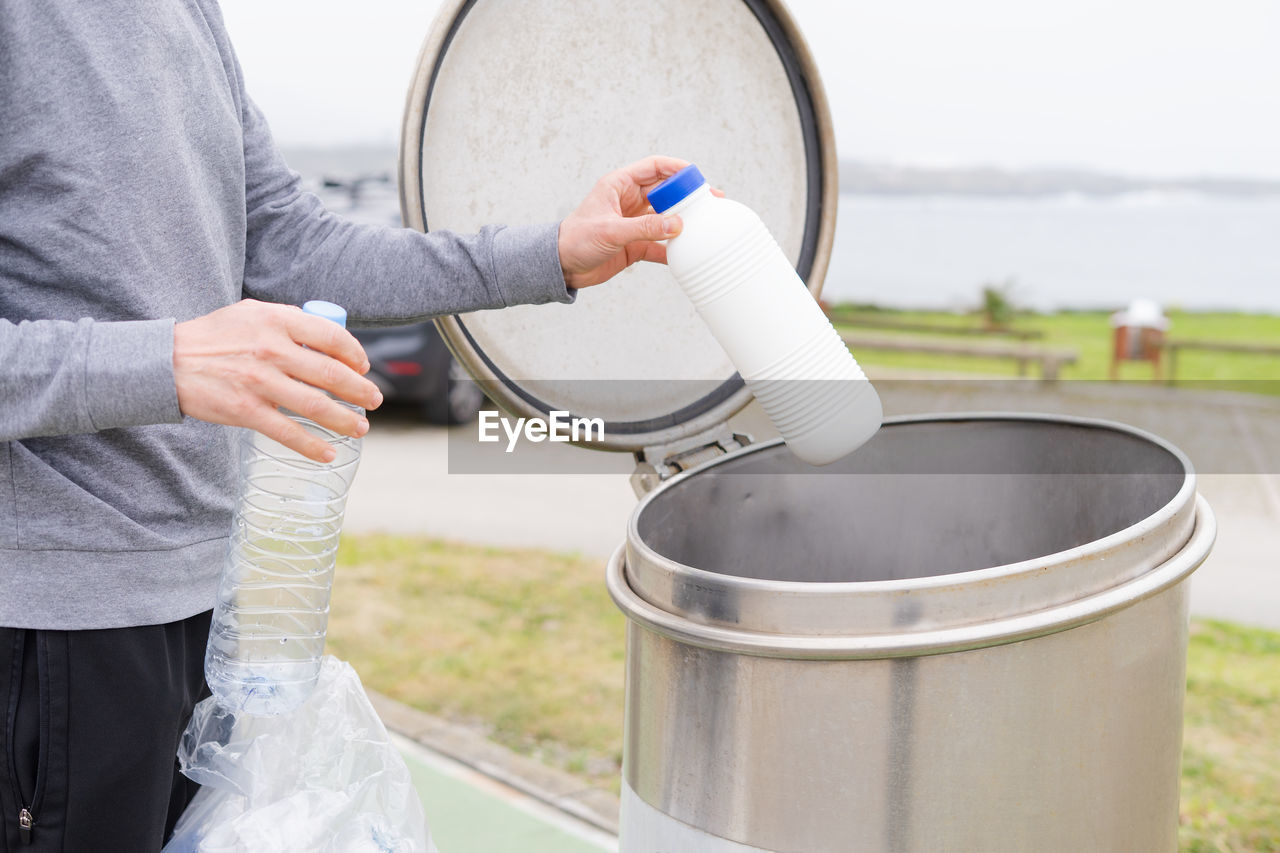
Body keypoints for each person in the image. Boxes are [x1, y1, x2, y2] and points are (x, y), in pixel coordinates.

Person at [0, 2, 688, 849]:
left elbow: (292, 244)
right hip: (51, 630)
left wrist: (550, 252)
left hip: (213, 621)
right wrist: (172, 361)